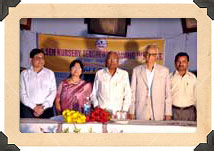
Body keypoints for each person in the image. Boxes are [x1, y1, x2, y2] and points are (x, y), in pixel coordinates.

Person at [129, 44, 172, 121]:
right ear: (144, 55)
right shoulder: (137, 70)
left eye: (153, 54)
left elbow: (168, 94)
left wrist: (168, 113)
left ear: (156, 56)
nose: (150, 57)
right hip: (141, 109)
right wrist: (131, 111)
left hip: (158, 110)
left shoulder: (164, 71)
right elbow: (132, 93)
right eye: (148, 54)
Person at [90, 51, 132, 116]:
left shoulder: (124, 74)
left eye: (115, 59)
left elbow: (128, 95)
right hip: (102, 114)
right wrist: (96, 107)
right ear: (106, 61)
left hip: (118, 114)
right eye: (109, 59)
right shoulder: (99, 73)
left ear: (118, 62)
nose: (112, 61)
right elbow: (94, 93)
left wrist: (124, 111)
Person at [20, 48, 57, 118]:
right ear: (31, 60)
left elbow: (53, 91)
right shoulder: (24, 74)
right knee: (28, 129)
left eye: (42, 58)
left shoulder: (50, 73)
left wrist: (43, 107)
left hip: (46, 109)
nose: (41, 60)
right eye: (37, 58)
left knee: (47, 129)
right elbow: (22, 94)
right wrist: (34, 107)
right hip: (29, 110)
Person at [170, 52, 197, 121]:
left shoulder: (193, 78)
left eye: (184, 61)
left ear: (188, 63)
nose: (181, 64)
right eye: (179, 61)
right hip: (173, 111)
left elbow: (197, 97)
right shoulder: (169, 77)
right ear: (175, 63)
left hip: (189, 112)